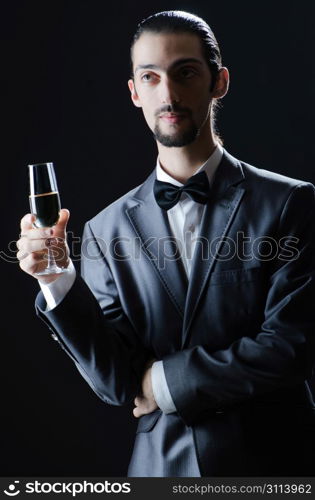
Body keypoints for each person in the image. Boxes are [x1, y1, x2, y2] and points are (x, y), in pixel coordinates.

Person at [17, 10, 315, 477]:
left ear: (220, 82)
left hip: (276, 466)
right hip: (159, 472)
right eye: (151, 77)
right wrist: (57, 280)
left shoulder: (291, 203)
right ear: (135, 92)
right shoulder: (103, 230)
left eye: (186, 73)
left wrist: (161, 382)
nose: (169, 94)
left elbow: (291, 348)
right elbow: (115, 383)